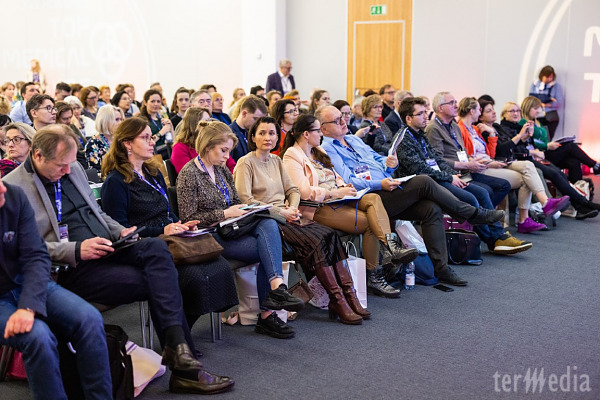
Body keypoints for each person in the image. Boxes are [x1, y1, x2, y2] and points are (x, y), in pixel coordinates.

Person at [3, 125, 234, 395]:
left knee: (157, 249)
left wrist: (121, 232)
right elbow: (29, 248)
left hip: (110, 246)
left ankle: (180, 356)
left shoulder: (73, 168)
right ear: (38, 155)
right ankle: (185, 365)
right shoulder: (15, 187)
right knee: (160, 280)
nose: (67, 171)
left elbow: (99, 215)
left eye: (70, 164)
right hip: (74, 265)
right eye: (61, 165)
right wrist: (76, 249)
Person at [318, 105, 505, 287]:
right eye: (337, 120)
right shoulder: (327, 148)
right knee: (423, 181)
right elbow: (349, 180)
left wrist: (389, 162)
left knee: (431, 209)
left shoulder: (353, 139)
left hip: (388, 187)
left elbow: (377, 158)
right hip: (370, 197)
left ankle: (441, 269)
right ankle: (471, 214)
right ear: (323, 128)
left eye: (342, 117)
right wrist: (380, 183)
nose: (343, 121)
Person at [234, 116, 368, 324]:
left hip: (288, 216)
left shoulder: (276, 161)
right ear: (252, 137)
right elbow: (247, 200)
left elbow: (293, 190)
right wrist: (282, 212)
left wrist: (293, 208)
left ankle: (349, 296)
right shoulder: (246, 163)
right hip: (265, 221)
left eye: (272, 133)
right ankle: (337, 299)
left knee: (330, 235)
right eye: (262, 133)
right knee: (316, 241)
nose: (268, 137)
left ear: (277, 137)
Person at [176, 120, 305, 337]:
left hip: (231, 229)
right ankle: (269, 309)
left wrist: (246, 210)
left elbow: (236, 201)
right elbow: (188, 219)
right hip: (209, 236)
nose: (227, 156)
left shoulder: (221, 170)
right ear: (207, 146)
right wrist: (225, 214)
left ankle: (276, 292)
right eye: (223, 150)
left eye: (229, 151)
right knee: (269, 248)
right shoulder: (189, 174)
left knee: (268, 224)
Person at [282, 114, 418, 297]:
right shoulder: (292, 155)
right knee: (370, 223)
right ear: (306, 134)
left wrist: (344, 187)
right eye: (317, 130)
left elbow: (335, 175)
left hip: (339, 199)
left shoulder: (318, 150)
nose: (321, 134)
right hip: (317, 207)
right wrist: (334, 193)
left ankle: (390, 247)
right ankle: (376, 273)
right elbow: (303, 192)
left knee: (373, 199)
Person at [0, 180, 112, 400]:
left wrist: (28, 305)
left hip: (29, 282)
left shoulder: (14, 196)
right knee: (38, 337)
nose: (2, 187)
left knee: (89, 319)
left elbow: (36, 254)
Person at [394, 97, 532, 253]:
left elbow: (437, 160)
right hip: (425, 184)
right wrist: (449, 177)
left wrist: (454, 175)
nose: (426, 116)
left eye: (425, 112)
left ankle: (498, 236)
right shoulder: (404, 139)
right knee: (471, 198)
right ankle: (494, 239)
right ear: (408, 118)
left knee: (481, 192)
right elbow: (420, 169)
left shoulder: (420, 134)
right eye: (420, 114)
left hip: (440, 177)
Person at [457, 97, 569, 232]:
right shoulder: (462, 129)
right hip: (481, 167)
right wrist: (491, 159)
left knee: (528, 168)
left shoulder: (476, 129)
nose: (482, 112)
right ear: (472, 111)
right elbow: (470, 156)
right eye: (483, 110)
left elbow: (491, 153)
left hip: (494, 161)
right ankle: (534, 211)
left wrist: (492, 134)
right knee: (528, 171)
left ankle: (533, 213)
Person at [499, 101, 600, 219]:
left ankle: (579, 206)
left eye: (517, 111)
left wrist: (528, 139)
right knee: (556, 172)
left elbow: (525, 145)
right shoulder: (504, 128)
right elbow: (512, 149)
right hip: (523, 159)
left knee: (562, 171)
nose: (516, 113)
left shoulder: (519, 126)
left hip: (531, 156)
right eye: (512, 111)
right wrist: (533, 146)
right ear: (504, 114)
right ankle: (583, 203)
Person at [520, 95, 600, 182]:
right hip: (539, 154)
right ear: (527, 108)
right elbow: (530, 141)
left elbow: (544, 140)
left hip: (546, 151)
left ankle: (575, 188)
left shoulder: (537, 122)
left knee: (574, 162)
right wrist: (547, 145)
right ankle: (595, 165)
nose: (538, 111)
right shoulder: (523, 122)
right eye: (535, 109)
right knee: (571, 146)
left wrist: (550, 144)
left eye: (539, 108)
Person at [170, 107, 227, 173]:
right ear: (194, 125)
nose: (210, 125)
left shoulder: (213, 143)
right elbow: (188, 175)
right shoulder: (180, 148)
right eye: (205, 122)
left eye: (210, 121)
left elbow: (231, 166)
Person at [84, 104, 123, 173]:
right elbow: (96, 172)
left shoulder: (122, 139)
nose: (120, 123)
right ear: (105, 121)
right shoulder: (93, 144)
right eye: (117, 120)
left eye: (121, 119)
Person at [529, 65, 564, 139]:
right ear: (542, 76)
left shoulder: (556, 86)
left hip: (550, 116)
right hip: (537, 116)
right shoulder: (535, 85)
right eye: (547, 77)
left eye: (551, 77)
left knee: (547, 138)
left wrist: (545, 104)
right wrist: (549, 99)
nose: (550, 79)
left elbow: (559, 102)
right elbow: (531, 99)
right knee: (537, 137)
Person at [229, 95, 268, 162]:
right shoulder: (229, 134)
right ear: (244, 114)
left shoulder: (253, 133)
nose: (258, 124)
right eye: (255, 119)